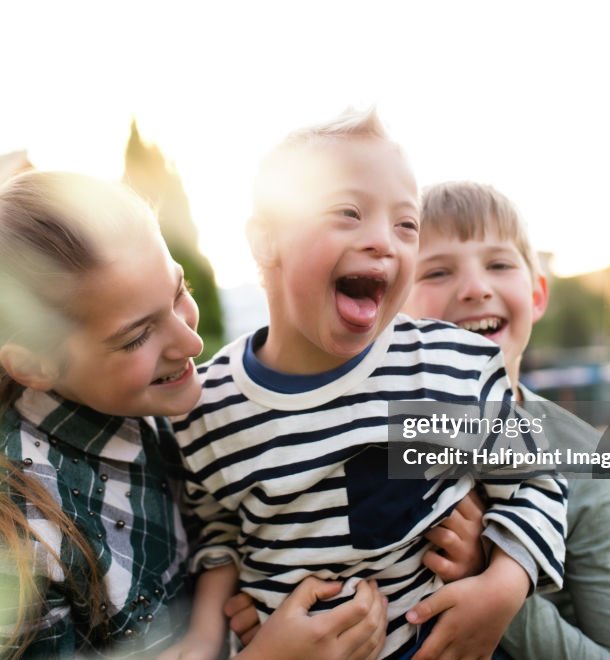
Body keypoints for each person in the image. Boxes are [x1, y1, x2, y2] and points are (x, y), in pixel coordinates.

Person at [0, 171, 388, 659]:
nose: (190, 341)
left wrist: (473, 561)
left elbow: (385, 443)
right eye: (137, 335)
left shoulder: (191, 400)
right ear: (34, 365)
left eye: (179, 290)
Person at [172, 111, 568, 659]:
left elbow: (534, 483)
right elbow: (215, 531)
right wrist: (207, 631)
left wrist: (504, 586)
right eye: (348, 212)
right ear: (266, 239)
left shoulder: (450, 367)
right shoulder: (207, 407)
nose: (384, 241)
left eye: (407, 225)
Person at [403, 181, 610, 659]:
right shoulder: (354, 439)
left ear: (537, 294)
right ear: (393, 308)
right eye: (437, 271)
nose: (477, 288)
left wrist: (496, 584)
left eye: (499, 264)